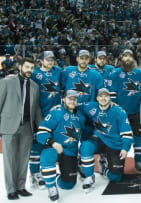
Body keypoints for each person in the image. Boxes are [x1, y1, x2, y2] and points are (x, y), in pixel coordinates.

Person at [0, 57, 42, 200]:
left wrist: (41, 128)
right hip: (9, 126)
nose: (29, 70)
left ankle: (21, 187)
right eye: (27, 67)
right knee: (10, 160)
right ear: (20, 67)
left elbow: (36, 109)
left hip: (27, 127)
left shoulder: (35, 86)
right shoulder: (6, 82)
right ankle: (11, 189)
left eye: (31, 68)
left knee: (23, 159)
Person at [80, 88, 133, 192]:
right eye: (101, 96)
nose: (103, 98)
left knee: (116, 177)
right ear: (97, 98)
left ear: (110, 98)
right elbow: (75, 105)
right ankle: (89, 177)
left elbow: (127, 132)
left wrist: (125, 148)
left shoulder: (119, 111)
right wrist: (61, 106)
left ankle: (104, 168)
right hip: (99, 138)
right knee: (86, 146)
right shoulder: (91, 106)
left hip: (114, 143)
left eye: (106, 96)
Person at [36, 90, 85, 201]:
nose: (72, 101)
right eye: (70, 98)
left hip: (70, 151)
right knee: (48, 155)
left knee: (69, 185)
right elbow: (41, 132)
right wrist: (52, 142)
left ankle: (55, 176)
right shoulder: (56, 112)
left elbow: (85, 133)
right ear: (63, 99)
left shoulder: (80, 116)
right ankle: (51, 186)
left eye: (75, 99)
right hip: (54, 147)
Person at [108, 49, 141, 174]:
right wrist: (115, 113)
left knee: (139, 138)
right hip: (121, 114)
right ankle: (119, 163)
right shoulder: (115, 74)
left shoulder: (140, 73)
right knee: (120, 139)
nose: (127, 58)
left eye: (130, 56)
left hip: (137, 112)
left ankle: (139, 162)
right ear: (121, 59)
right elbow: (112, 95)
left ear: (134, 59)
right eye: (125, 56)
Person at [29, 51, 62, 188]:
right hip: (38, 114)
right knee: (36, 144)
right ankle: (35, 173)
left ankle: (46, 169)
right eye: (47, 59)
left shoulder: (58, 71)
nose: (50, 62)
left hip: (53, 116)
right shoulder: (35, 73)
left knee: (50, 143)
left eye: (52, 59)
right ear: (41, 60)